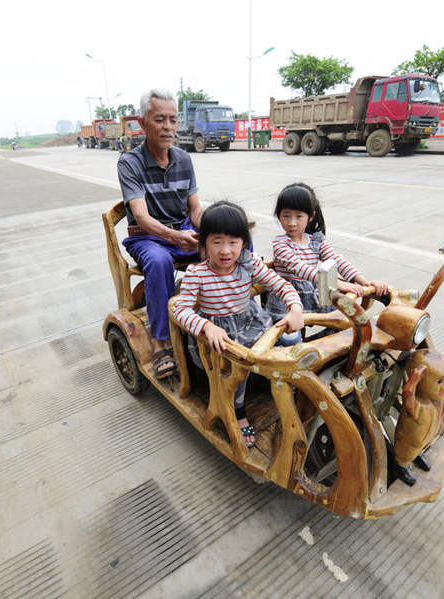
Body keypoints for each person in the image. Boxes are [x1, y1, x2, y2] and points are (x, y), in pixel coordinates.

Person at [173, 201, 304, 447]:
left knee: (292, 340)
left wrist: (295, 308)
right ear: (204, 243)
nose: (225, 250)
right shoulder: (197, 273)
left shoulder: (249, 263)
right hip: (221, 333)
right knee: (236, 368)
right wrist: (207, 327)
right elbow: (181, 309)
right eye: (217, 241)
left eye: (233, 242)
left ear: (244, 242)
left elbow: (282, 285)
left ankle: (281, 383)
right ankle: (238, 409)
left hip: (251, 322)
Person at [117, 88, 202, 379]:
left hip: (182, 229)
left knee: (232, 243)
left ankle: (231, 308)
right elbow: (140, 216)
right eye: (159, 119)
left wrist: (218, 228)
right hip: (147, 236)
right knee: (159, 261)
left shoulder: (184, 159)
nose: (168, 127)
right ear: (143, 124)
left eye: (173, 120)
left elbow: (195, 211)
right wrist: (176, 237)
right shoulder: (129, 163)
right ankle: (161, 342)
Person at [265, 182, 389, 331]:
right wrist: (337, 283)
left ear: (311, 216)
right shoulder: (280, 244)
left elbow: (337, 261)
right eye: (286, 215)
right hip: (287, 299)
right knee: (288, 338)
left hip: (314, 294)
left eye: (299, 216)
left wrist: (364, 283)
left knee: (345, 322)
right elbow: (301, 269)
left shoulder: (316, 241)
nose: (292, 223)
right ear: (278, 215)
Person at [393, 349, 444, 486]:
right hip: (411, 442)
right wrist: (414, 378)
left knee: (421, 447)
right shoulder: (418, 405)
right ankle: (401, 466)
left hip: (426, 438)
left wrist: (440, 427)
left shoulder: (439, 401)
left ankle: (419, 454)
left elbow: (441, 415)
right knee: (406, 454)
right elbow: (407, 394)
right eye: (440, 381)